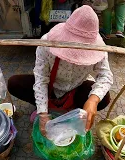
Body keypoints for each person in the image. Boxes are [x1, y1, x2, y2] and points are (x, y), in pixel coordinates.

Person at [8, 5, 113, 136]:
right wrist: (43, 114)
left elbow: (106, 75)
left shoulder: (99, 48)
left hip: (76, 87)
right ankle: (46, 106)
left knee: (104, 98)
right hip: (51, 87)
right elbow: (41, 78)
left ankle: (73, 108)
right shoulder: (47, 43)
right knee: (14, 83)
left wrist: (93, 100)